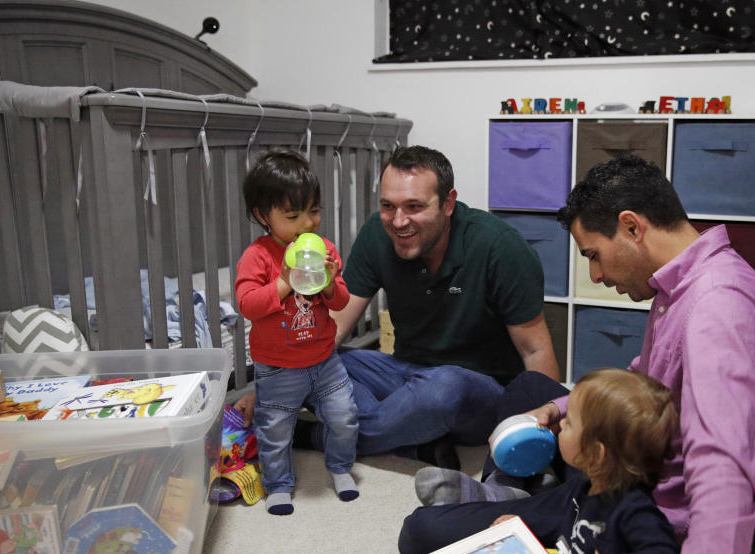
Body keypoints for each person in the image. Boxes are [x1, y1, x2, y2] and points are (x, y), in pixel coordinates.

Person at [405, 153, 755, 554]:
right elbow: (641, 377)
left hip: (627, 501)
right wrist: (557, 408)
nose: (597, 276)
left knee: (419, 532)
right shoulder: (683, 285)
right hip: (621, 456)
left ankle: (524, 500)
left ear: (631, 227)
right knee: (529, 390)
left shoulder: (718, 311)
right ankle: (520, 493)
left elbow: (725, 482)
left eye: (592, 255)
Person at [397, 368, 681, 554]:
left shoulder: (635, 510)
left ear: (595, 453)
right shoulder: (587, 485)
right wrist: (522, 531)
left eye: (569, 425)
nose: (560, 428)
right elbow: (566, 537)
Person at [327, 144, 559, 467]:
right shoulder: (377, 235)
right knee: (315, 363)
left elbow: (536, 351)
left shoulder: (500, 247)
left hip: (477, 390)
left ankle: (324, 436)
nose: (397, 221)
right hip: (406, 374)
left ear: (448, 203)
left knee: (444, 387)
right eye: (387, 206)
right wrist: (275, 388)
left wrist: (544, 430)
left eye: (413, 206)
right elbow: (333, 326)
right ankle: (417, 442)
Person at [234, 149, 361, 514]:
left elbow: (339, 303)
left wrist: (328, 282)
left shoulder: (326, 251)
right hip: (277, 366)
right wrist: (285, 283)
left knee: (344, 417)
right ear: (263, 216)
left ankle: (340, 468)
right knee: (274, 429)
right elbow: (247, 304)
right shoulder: (258, 257)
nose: (307, 223)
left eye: (314, 211)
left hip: (324, 360)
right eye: (293, 215)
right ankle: (278, 485)